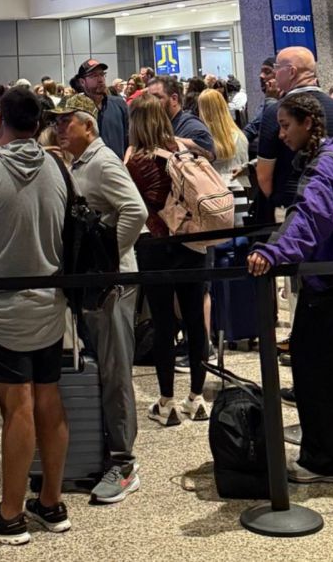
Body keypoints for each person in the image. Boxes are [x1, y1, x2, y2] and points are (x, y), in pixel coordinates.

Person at [246, 93, 333, 483]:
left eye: (287, 125)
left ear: (308, 122)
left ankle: (322, 461)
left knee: (316, 372)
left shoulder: (322, 168)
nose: (282, 133)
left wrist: (273, 252)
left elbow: (310, 217)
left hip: (332, 281)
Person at [0, 88, 71, 545]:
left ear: (0, 119)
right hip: (50, 302)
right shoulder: (57, 168)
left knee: (17, 407)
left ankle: (9, 516)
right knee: (48, 397)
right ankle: (51, 501)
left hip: (1, 309)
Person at [50, 94, 148, 504]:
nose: (59, 127)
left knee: (115, 372)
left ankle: (124, 461)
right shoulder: (80, 162)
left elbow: (136, 211)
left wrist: (107, 261)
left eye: (66, 121)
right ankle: (106, 450)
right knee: (102, 369)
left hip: (114, 285)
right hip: (98, 284)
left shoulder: (104, 162)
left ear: (87, 127)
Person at [125, 94, 211, 428]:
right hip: (191, 240)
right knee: (194, 319)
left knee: (163, 324)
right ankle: (197, 397)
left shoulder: (137, 160)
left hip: (156, 245)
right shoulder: (183, 150)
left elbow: (133, 206)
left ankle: (167, 401)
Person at [256, 47, 333, 209]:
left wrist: (280, 205)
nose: (274, 74)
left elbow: (264, 176)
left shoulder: (276, 112)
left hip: (291, 208)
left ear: (291, 72)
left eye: (276, 68)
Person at [145, 76, 215, 160]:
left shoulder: (191, 126)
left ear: (174, 99)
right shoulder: (157, 125)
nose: (149, 103)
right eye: (148, 99)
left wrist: (174, 141)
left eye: (156, 98)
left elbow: (209, 153)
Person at [75, 59, 129, 157]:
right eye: (94, 76)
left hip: (118, 168)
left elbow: (130, 139)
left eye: (102, 74)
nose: (100, 79)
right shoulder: (76, 109)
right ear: (82, 82)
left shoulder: (119, 104)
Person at [197, 88, 249, 182]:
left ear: (203, 111)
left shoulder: (202, 141)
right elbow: (245, 165)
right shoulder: (240, 136)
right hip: (240, 187)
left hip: (215, 189)